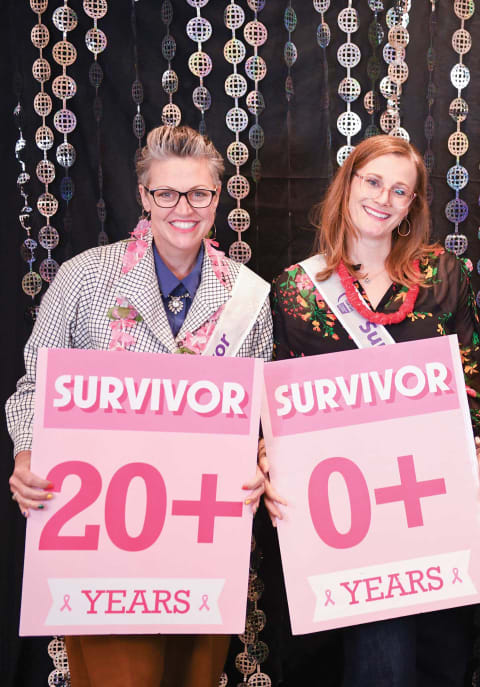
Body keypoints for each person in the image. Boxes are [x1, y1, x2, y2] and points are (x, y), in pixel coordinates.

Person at [6, 125, 274, 687]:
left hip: (203, 539)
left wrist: (263, 459)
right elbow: (35, 386)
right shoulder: (84, 277)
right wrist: (27, 452)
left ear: (217, 198)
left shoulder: (248, 294)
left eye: (199, 193)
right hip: (101, 542)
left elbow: (264, 412)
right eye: (167, 193)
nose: (184, 208)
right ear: (144, 196)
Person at [264, 134, 480, 686]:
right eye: (373, 182)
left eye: (401, 190)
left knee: (439, 656)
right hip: (343, 512)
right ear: (348, 185)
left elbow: (470, 368)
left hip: (431, 497)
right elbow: (275, 394)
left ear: (413, 205)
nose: (384, 199)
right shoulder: (296, 289)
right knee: (374, 658)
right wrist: (265, 448)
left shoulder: (440, 272)